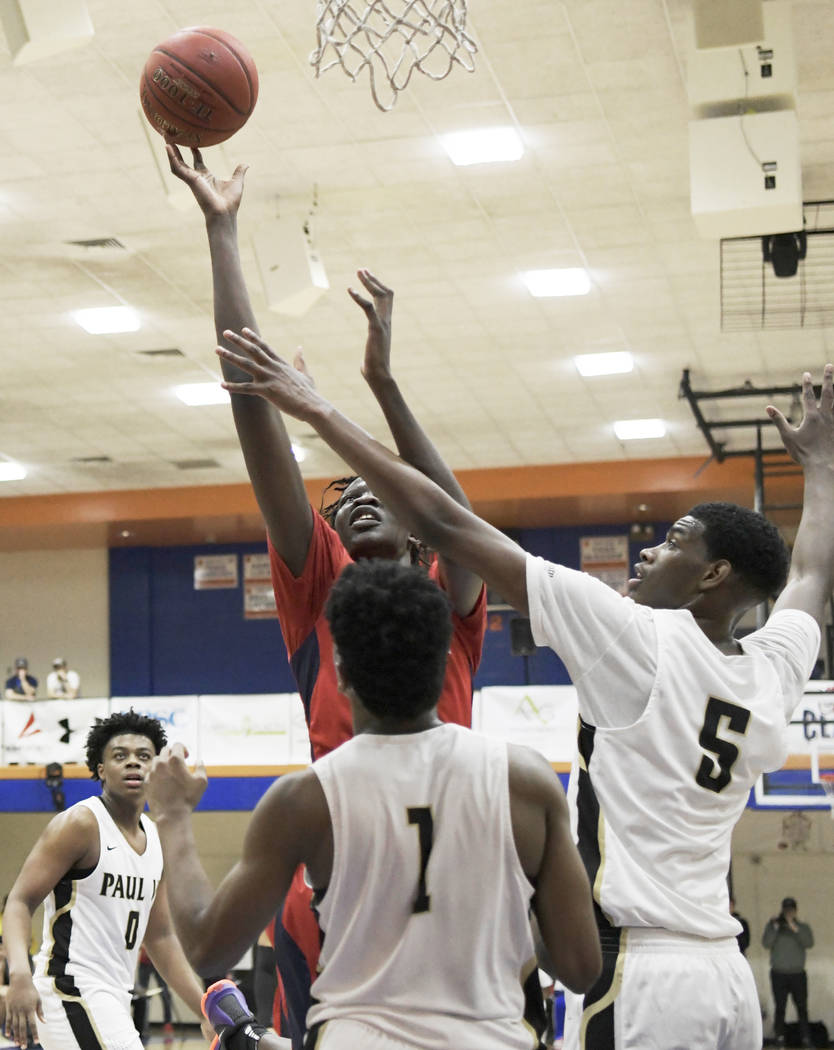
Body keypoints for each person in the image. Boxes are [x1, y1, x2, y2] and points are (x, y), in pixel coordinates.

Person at [213, 330, 834, 1050]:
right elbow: (813, 576)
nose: (650, 548)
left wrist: (320, 410)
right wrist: (820, 469)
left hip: (639, 970)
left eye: (674, 541)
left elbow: (449, 522)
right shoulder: (773, 667)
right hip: (726, 974)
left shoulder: (632, 637)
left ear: (713, 577)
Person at [165, 143, 487, 1048]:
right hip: (336, 878)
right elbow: (247, 400)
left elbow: (460, 520)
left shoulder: (448, 603)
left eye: (371, 491)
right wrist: (223, 232)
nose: (350, 498)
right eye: (340, 500)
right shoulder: (322, 594)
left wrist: (381, 387)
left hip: (450, 877)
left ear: (420, 531)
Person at [148, 558, 601, 1050]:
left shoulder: (304, 800)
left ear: (341, 670)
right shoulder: (525, 781)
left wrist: (172, 816)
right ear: (443, 658)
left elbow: (208, 950)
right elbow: (578, 967)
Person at [0, 709, 213, 1050]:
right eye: (120, 756)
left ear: (155, 769)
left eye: (144, 756)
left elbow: (159, 936)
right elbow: (20, 901)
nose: (133, 763)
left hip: (113, 995)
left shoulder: (157, 837)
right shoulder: (81, 823)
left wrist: (204, 1009)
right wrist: (19, 975)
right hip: (67, 990)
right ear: (101, 770)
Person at [762, 897, 815, 1048]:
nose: (788, 913)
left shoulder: (802, 927)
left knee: (802, 1008)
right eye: (786, 910)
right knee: (780, 1008)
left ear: (795, 911)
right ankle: (780, 1039)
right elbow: (766, 943)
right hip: (779, 974)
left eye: (791, 910)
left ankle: (806, 1039)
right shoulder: (774, 926)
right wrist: (776, 927)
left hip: (798, 974)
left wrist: (794, 927)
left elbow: (809, 943)